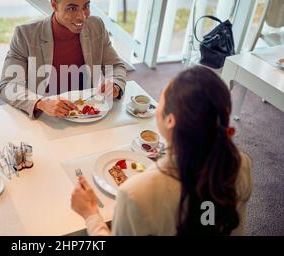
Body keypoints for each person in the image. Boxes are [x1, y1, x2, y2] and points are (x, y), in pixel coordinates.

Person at [71, 66, 252, 235]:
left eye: (160, 100)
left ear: (170, 120)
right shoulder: (240, 163)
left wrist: (91, 215)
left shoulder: (135, 193)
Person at [0, 0, 127, 119]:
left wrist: (115, 83)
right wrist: (42, 103)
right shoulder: (25, 35)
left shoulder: (96, 26)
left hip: (84, 109)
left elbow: (116, 66)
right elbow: (7, 86)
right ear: (54, 5)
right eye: (72, 8)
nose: (82, 16)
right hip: (46, 115)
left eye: (86, 6)